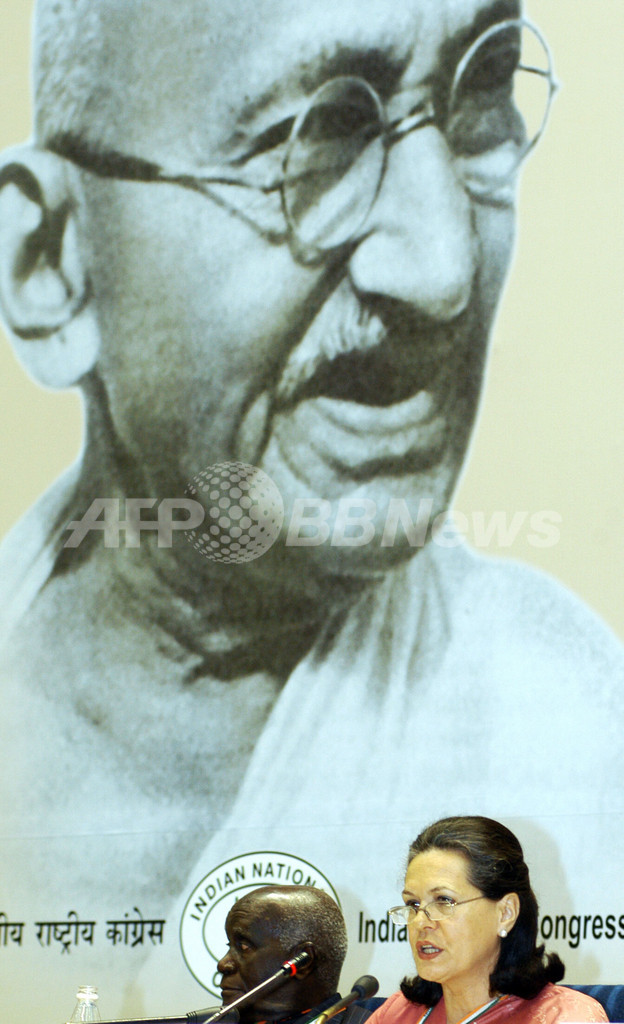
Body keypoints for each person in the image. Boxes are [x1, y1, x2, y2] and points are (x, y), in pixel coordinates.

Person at [0, 0, 622, 1016]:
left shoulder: (571, 738)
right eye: (317, 137)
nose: (443, 268)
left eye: (478, 97)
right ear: (53, 261)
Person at [369, 817, 607, 1024]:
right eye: (413, 904)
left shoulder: (564, 1016)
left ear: (506, 913)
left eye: (443, 900)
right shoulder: (395, 1015)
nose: (421, 922)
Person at [216, 885, 370, 1024]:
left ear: (304, 962)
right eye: (230, 946)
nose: (223, 964)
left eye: (244, 947)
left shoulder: (368, 1019)